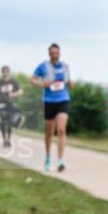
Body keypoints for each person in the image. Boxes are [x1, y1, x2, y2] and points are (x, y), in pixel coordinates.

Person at [31, 43, 72, 172]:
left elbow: (68, 82)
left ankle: (60, 160)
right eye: (52, 53)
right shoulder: (44, 66)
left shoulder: (65, 66)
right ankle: (48, 157)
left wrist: (71, 83)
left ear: (60, 54)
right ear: (49, 54)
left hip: (63, 100)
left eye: (57, 53)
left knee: (61, 129)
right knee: (49, 133)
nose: (55, 55)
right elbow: (32, 79)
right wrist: (41, 83)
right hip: (48, 101)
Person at [0, 66, 23, 148]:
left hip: (10, 103)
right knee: (0, 120)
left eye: (6, 72)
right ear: (2, 73)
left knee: (12, 119)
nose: (5, 73)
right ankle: (4, 139)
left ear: (9, 72)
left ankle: (9, 138)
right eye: (3, 72)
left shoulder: (13, 82)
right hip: (1, 103)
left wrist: (14, 94)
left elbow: (20, 91)